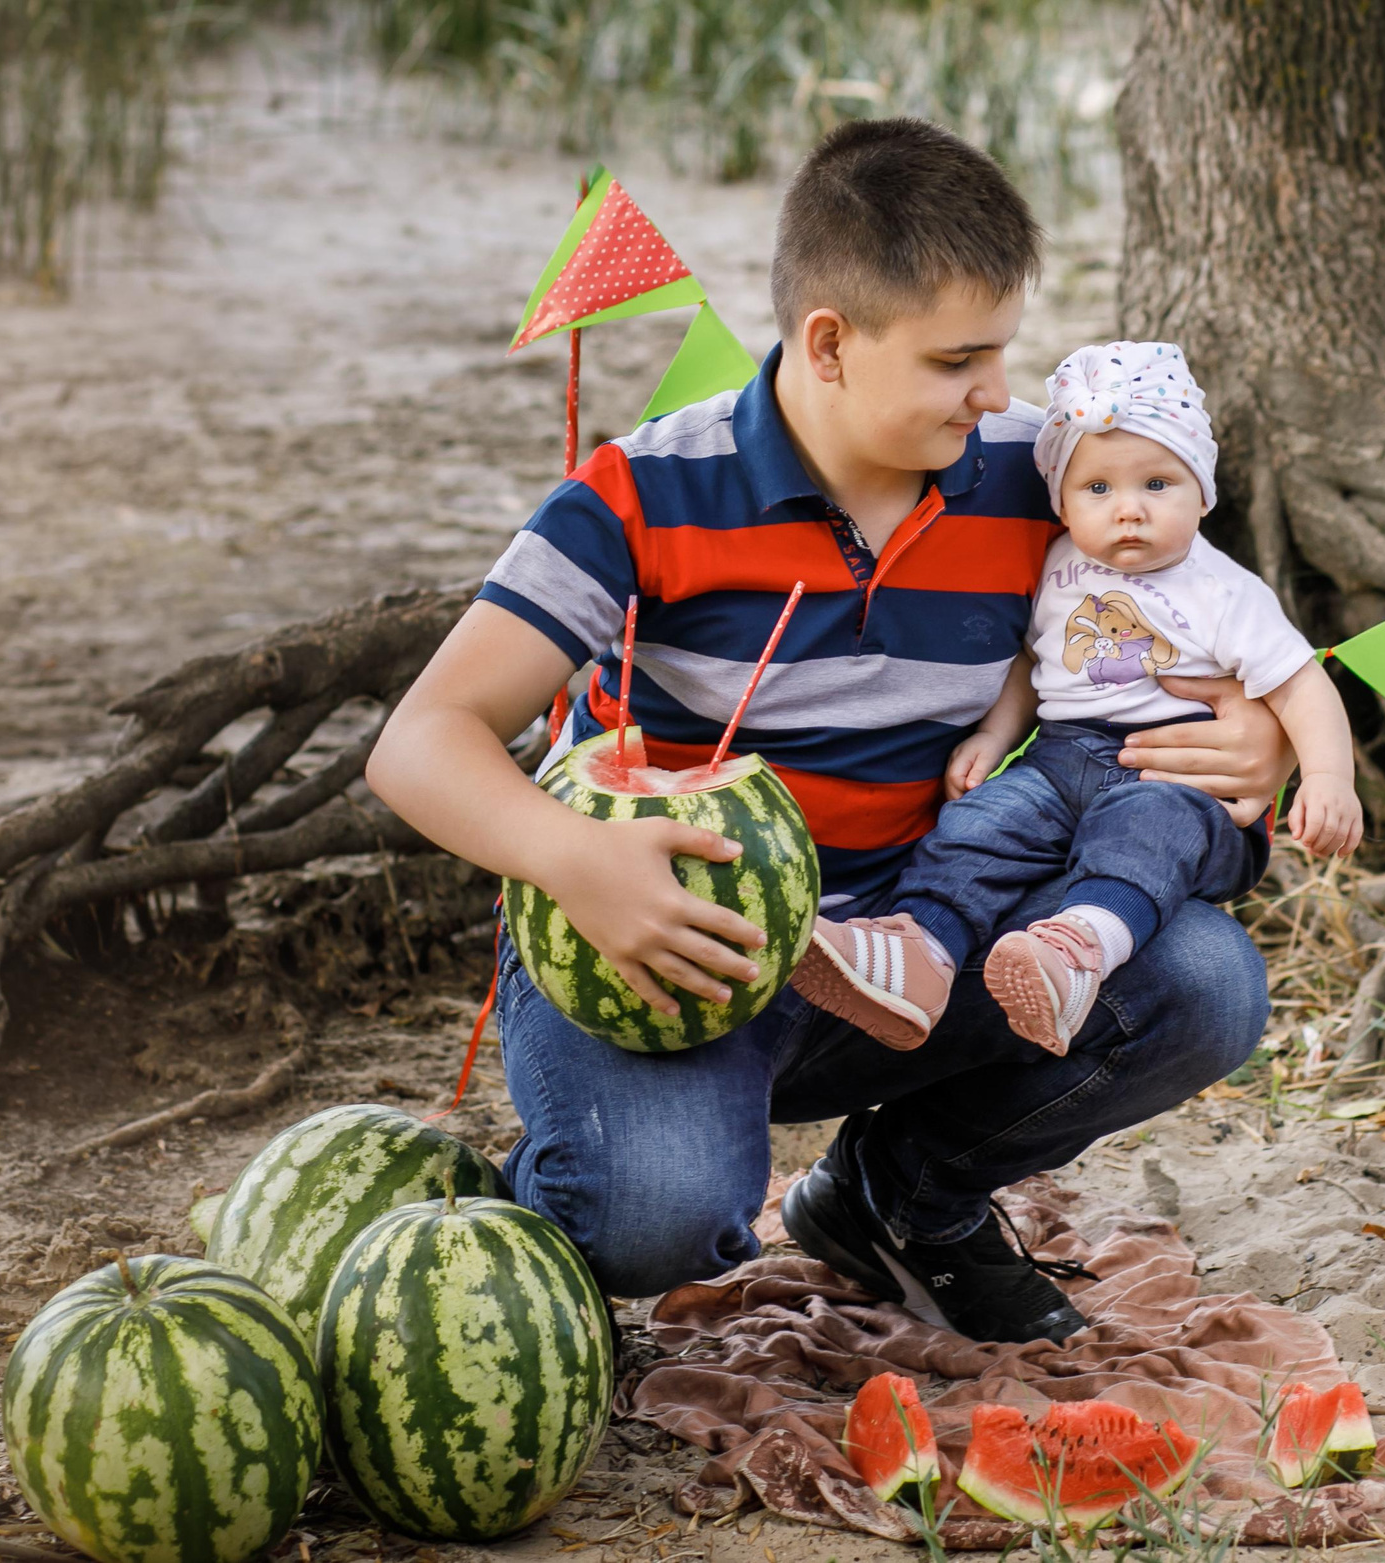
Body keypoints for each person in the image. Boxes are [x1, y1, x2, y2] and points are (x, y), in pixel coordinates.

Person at [366, 118, 1292, 1347]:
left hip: (907, 950)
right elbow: (421, 739)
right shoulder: (646, 492)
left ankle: (896, 1198)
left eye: (1005, 350)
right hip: (666, 951)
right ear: (830, 345)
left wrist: (1259, 741)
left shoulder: (1040, 476)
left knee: (1202, 984)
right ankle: (522, 1229)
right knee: (656, 1217)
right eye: (960, 359)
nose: (999, 394)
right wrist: (572, 859)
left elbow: (1207, 626)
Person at [791, 341, 1363, 1059]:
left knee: (1143, 832)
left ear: (1203, 491)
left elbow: (1300, 681)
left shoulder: (1223, 590)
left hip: (1181, 784)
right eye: (1099, 490)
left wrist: (1329, 776)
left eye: (1158, 484)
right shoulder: (1060, 565)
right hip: (1063, 758)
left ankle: (1079, 946)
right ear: (1061, 500)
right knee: (982, 821)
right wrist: (996, 738)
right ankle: (922, 947)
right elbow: (1035, 664)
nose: (1128, 511)